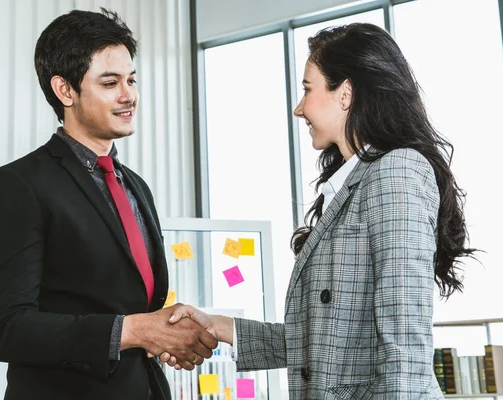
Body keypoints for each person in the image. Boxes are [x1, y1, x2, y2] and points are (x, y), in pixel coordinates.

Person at [157, 23, 475, 399]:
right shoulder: (351, 183)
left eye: (308, 89)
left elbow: (404, 337)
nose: (299, 108)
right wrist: (218, 326)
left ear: (345, 93)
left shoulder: (396, 170)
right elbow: (324, 344)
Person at [0, 8, 217, 400]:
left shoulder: (136, 186)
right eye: (110, 83)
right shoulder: (16, 185)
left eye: (131, 80)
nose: (129, 95)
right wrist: (134, 330)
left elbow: (131, 302)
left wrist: (163, 331)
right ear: (65, 90)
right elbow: (5, 329)